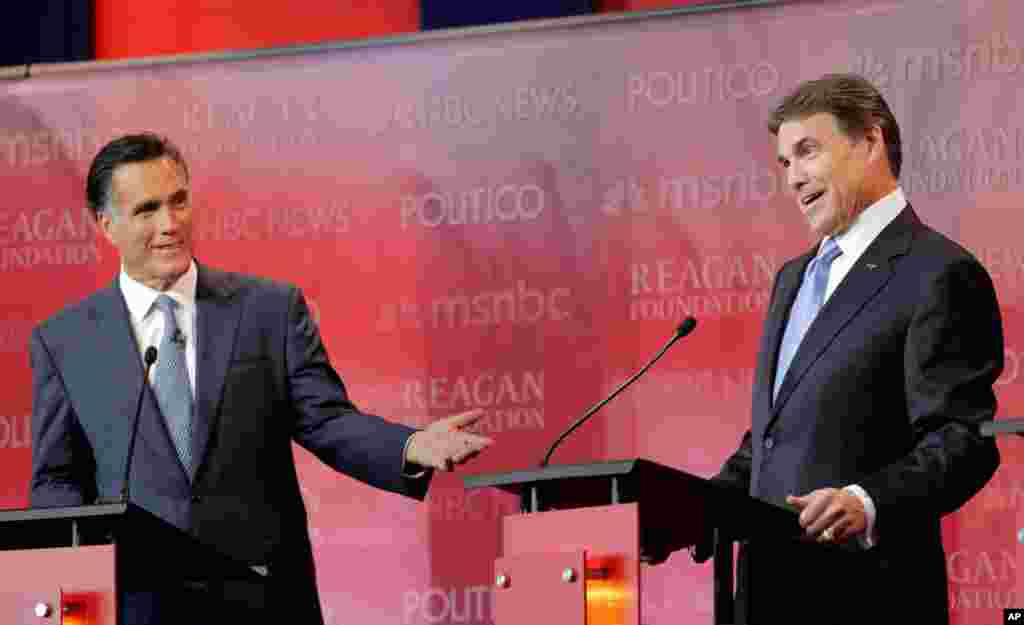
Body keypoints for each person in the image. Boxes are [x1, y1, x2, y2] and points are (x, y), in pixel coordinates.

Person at [29, 132, 493, 625]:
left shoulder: (268, 311)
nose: (169, 224)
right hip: (138, 605)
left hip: (265, 598)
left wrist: (409, 446)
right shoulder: (66, 341)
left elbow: (326, 421)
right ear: (107, 225)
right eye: (146, 210)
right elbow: (57, 480)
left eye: (178, 201)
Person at [696, 74, 1003, 625]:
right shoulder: (792, 279)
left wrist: (867, 501)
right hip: (766, 598)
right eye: (784, 163)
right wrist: (691, 516)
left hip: (866, 597)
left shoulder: (938, 272)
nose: (792, 178)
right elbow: (770, 445)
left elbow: (961, 441)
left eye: (806, 152)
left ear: (869, 142)